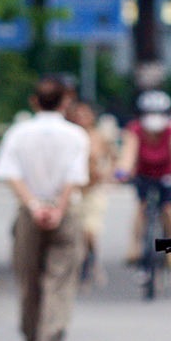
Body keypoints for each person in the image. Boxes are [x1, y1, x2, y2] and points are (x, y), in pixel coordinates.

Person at [0, 76, 90, 341]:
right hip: (65, 213)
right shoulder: (76, 135)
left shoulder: (19, 133)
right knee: (59, 280)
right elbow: (74, 178)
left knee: (28, 279)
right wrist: (57, 208)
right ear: (66, 101)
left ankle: (32, 340)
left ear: (34, 101)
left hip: (28, 214)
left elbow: (10, 173)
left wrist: (34, 206)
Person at [114, 90, 171, 265]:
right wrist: (123, 171)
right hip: (144, 174)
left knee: (170, 209)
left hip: (168, 175)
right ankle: (135, 247)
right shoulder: (134, 129)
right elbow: (128, 153)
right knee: (142, 207)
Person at [65, 99, 113, 286]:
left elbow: (112, 157)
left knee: (90, 230)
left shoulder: (99, 136)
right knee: (73, 230)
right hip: (74, 189)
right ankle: (78, 264)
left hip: (94, 189)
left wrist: (108, 174)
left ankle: (91, 260)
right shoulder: (69, 136)